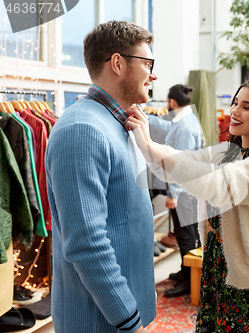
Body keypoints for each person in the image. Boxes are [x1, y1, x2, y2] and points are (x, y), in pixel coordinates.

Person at [126, 77, 249, 332]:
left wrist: (147, 144)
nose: (235, 111)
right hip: (216, 272)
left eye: (247, 107)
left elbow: (214, 185)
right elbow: (180, 163)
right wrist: (146, 143)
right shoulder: (231, 152)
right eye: (236, 103)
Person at [45, 21, 157, 333]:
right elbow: (86, 242)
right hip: (100, 319)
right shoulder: (83, 130)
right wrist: (127, 318)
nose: (154, 74)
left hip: (119, 310)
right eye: (147, 63)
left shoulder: (116, 123)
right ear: (118, 63)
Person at [161, 84, 202, 297]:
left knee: (185, 236)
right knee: (187, 233)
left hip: (184, 191)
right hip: (188, 189)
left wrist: (173, 193)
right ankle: (186, 271)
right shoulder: (188, 119)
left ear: (171, 102)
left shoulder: (184, 125)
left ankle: (188, 280)